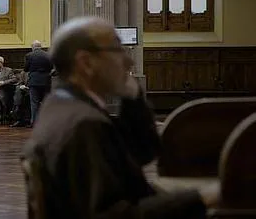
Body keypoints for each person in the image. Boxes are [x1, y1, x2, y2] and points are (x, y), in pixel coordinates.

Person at [24, 17, 219, 218]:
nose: (129, 61)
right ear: (86, 62)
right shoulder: (85, 124)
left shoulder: (61, 104)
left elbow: (140, 153)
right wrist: (201, 198)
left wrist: (133, 97)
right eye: (117, 50)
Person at [24, 40, 53, 125]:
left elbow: (26, 68)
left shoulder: (29, 55)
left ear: (33, 47)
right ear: (40, 46)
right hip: (46, 80)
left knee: (34, 103)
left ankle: (34, 122)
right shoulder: (48, 55)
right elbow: (51, 67)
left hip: (34, 81)